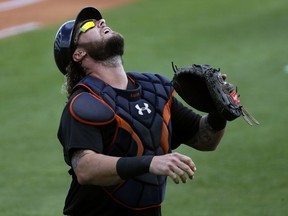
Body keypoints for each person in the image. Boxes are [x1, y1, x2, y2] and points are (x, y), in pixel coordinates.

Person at [54, 6, 227, 216]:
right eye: (89, 25)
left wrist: (220, 112)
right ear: (79, 53)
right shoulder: (84, 103)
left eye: (99, 20)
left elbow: (205, 139)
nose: (101, 22)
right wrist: (150, 162)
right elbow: (85, 168)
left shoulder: (153, 90)